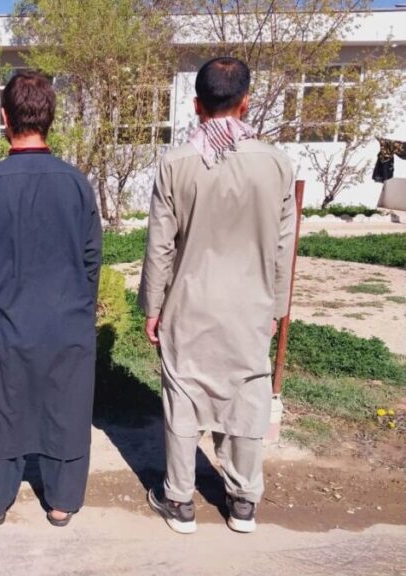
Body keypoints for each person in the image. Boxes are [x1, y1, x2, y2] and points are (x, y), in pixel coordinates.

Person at [139, 57, 296, 534]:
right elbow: (284, 246)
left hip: (189, 304)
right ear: (246, 102)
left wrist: (152, 307)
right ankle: (243, 502)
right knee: (247, 394)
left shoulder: (176, 163)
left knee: (183, 395)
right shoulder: (276, 164)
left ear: (196, 105)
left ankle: (179, 501)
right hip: (251, 306)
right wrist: (277, 308)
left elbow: (160, 244)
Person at [0, 71, 102, 527]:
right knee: (66, 409)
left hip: (3, 324)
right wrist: (80, 314)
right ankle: (61, 502)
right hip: (66, 323)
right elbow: (91, 261)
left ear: (4, 118)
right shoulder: (76, 184)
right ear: (51, 118)